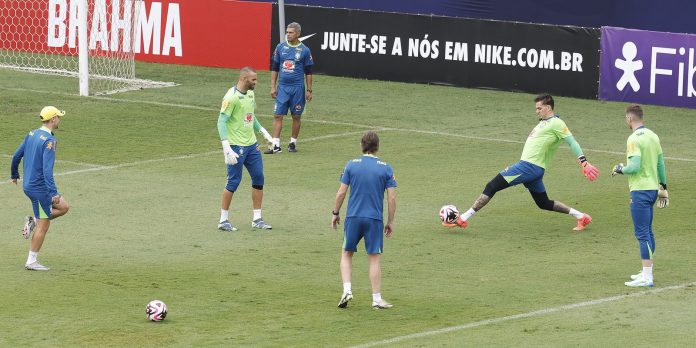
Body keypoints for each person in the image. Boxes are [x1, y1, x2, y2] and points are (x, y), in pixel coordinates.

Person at [443, 93, 599, 231]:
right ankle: (582, 217)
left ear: (549, 108)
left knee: (492, 186)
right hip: (533, 169)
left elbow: (572, 142)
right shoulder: (543, 123)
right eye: (536, 108)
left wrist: (583, 162)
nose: (536, 111)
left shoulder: (557, 123)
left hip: (528, 167)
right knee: (543, 203)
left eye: (539, 108)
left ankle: (462, 218)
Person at [332, 131, 397, 309]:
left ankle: (347, 290)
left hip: (353, 217)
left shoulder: (351, 165)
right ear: (377, 147)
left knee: (346, 253)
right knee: (374, 258)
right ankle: (376, 299)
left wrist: (335, 212)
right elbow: (391, 198)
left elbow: (341, 192)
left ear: (362, 145)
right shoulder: (386, 168)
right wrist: (390, 221)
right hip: (374, 219)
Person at [611, 104, 668, 287]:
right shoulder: (653, 136)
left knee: (642, 234)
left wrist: (620, 169)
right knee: (648, 232)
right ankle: (646, 271)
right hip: (652, 190)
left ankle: (647, 277)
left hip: (640, 191)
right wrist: (664, 188)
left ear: (629, 119)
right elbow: (660, 164)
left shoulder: (633, 139)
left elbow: (634, 167)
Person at [10, 106, 71, 271]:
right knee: (44, 225)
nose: (59, 119)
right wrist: (53, 193)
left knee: (64, 207)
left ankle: (33, 221)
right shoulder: (49, 141)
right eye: (58, 117)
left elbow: (16, 155)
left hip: (29, 185)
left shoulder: (32, 134)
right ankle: (31, 261)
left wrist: (14, 173)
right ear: (52, 120)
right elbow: (47, 170)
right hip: (40, 190)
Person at [217, 67, 275, 231]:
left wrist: (263, 132)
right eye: (253, 80)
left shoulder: (250, 94)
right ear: (243, 78)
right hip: (236, 147)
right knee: (233, 181)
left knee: (259, 178)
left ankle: (257, 219)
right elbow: (221, 122)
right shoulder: (231, 97)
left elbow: (250, 115)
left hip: (251, 145)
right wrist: (226, 147)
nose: (256, 83)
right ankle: (223, 221)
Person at [265, 22, 314, 154]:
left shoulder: (305, 50)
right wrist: (272, 87)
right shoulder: (280, 47)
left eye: (291, 32)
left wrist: (309, 90)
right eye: (287, 32)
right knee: (277, 115)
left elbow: (308, 72)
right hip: (283, 88)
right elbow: (275, 68)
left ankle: (292, 143)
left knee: (296, 116)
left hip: (297, 88)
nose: (288, 34)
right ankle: (276, 146)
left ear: (298, 34)